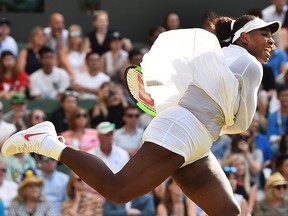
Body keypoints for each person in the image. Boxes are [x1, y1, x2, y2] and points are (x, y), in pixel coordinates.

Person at [1, 15, 282, 216]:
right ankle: (46, 142)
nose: (272, 42)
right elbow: (241, 125)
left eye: (273, 36)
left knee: (226, 211)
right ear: (244, 36)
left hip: (193, 137)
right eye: (265, 35)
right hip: (184, 131)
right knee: (117, 190)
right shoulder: (250, 66)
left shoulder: (213, 57)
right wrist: (227, 121)